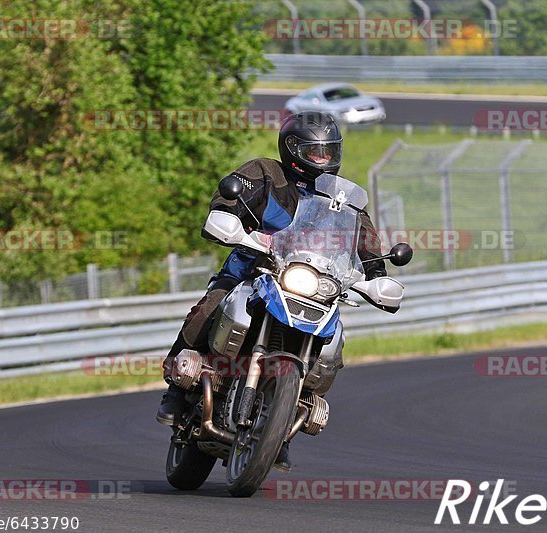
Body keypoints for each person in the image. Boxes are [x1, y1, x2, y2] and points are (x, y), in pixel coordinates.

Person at [155, 111, 386, 469]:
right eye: (315, 152)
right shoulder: (266, 172)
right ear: (293, 149)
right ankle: (175, 390)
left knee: (333, 343)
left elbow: (364, 236)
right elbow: (231, 193)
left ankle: (282, 424)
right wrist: (226, 215)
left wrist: (376, 272)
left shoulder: (344, 198)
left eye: (328, 152)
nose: (323, 160)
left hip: (313, 284)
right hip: (254, 268)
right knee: (211, 306)